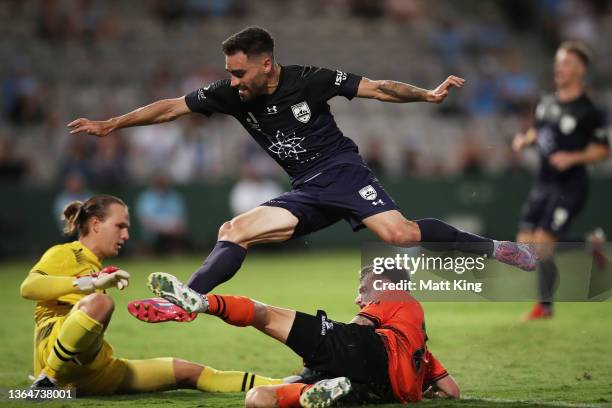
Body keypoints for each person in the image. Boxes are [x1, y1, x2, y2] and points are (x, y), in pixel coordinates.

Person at [68, 26, 536, 295]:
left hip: (341, 172)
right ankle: (188, 297)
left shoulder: (309, 80)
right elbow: (170, 106)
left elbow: (377, 87)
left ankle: (496, 249)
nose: (232, 81)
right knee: (233, 230)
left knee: (401, 234)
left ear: (266, 63)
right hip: (306, 188)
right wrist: (114, 123)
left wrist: (427, 96)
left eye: (239, 71)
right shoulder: (230, 94)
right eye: (229, 72)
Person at [20, 194, 280, 394]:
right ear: (96, 224)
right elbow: (28, 288)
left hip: (97, 369)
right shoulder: (66, 253)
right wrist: (90, 283)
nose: (126, 234)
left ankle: (285, 386)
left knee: (190, 373)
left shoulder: (95, 266)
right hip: (56, 358)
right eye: (120, 226)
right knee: (101, 303)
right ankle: (47, 382)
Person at [139, 266, 460, 407]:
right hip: (379, 391)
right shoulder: (422, 352)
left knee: (264, 314)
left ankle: (203, 301)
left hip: (369, 353)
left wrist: (321, 345)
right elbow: (451, 391)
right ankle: (319, 390)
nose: (360, 298)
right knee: (259, 399)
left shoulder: (397, 296)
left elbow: (358, 329)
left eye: (364, 290)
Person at [512, 41, 610, 320]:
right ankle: (589, 243)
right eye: (558, 61)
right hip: (543, 184)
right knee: (526, 247)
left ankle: (544, 306)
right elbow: (538, 132)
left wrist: (573, 157)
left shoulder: (588, 110)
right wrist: (524, 139)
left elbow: (603, 150)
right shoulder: (546, 102)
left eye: (566, 62)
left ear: (581, 69)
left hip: (570, 186)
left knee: (543, 243)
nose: (559, 67)